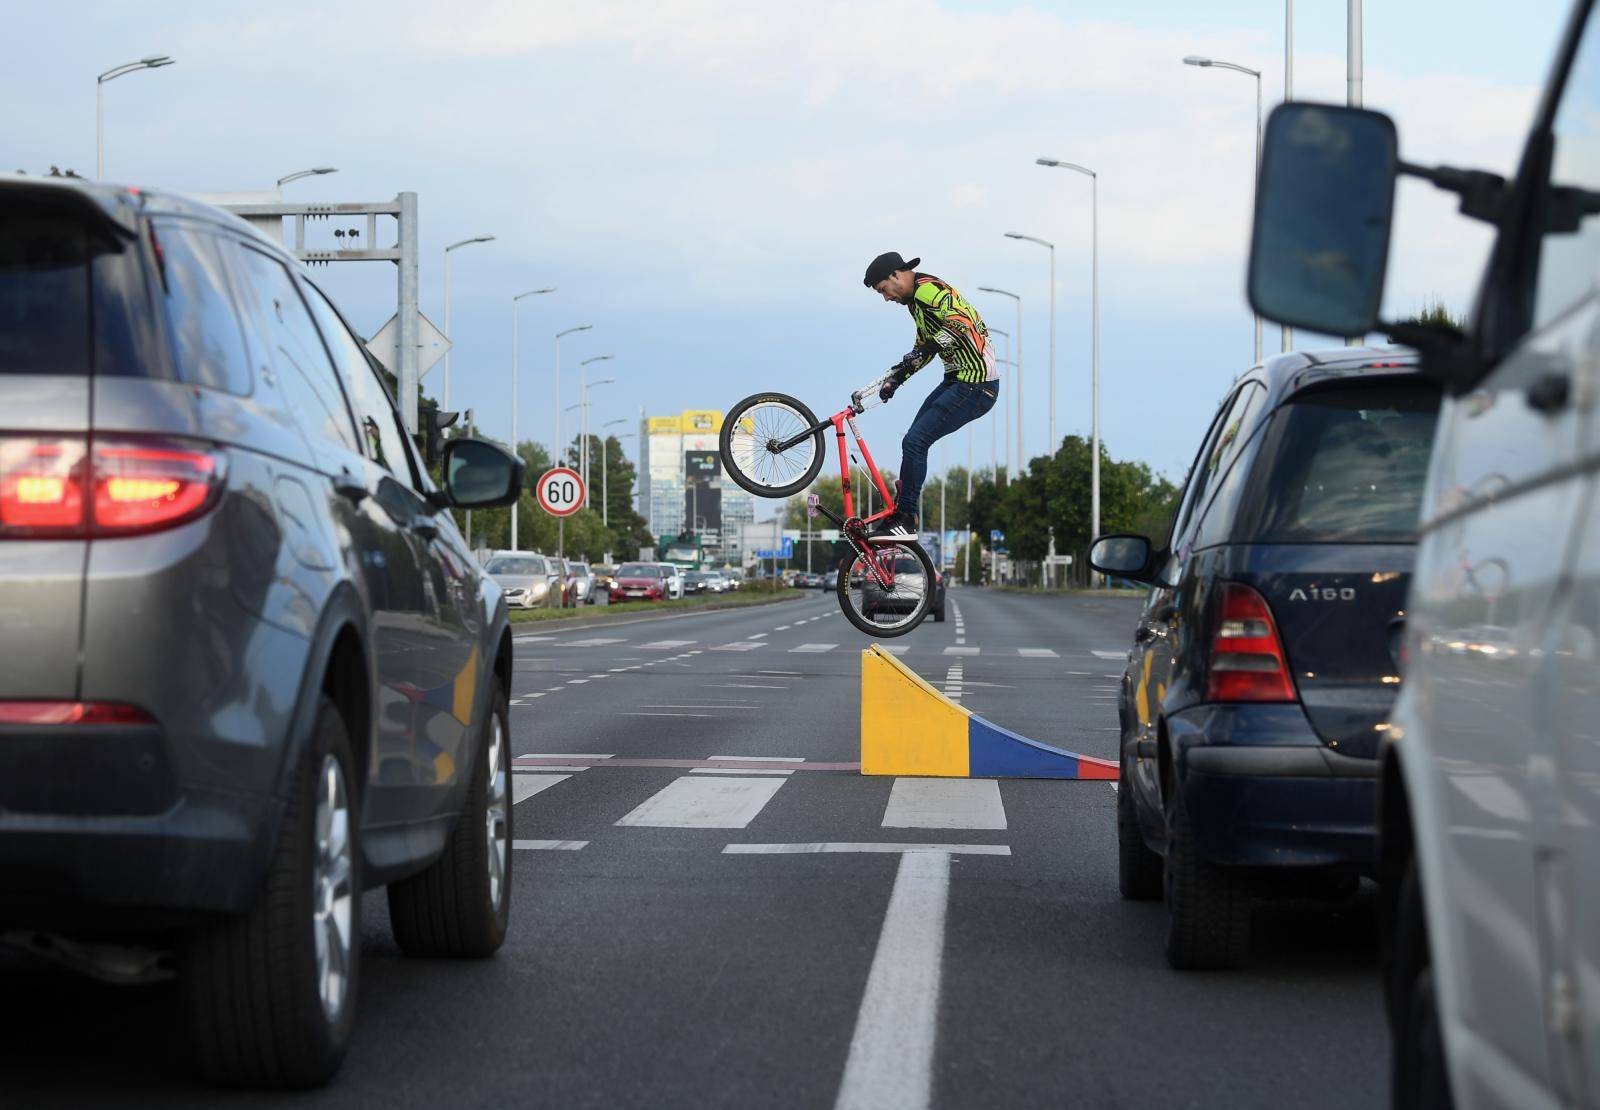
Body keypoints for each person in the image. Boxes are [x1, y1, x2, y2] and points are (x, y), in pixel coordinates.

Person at [862, 251, 1000, 539]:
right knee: (912, 440)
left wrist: (928, 349)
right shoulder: (916, 303)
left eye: (883, 290)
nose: (886, 298)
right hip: (957, 380)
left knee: (916, 441)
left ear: (896, 276)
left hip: (975, 385)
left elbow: (962, 324)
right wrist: (897, 378)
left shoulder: (928, 291)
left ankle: (906, 518)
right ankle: (903, 512)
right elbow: (924, 348)